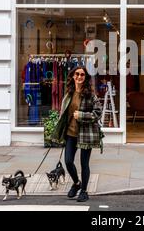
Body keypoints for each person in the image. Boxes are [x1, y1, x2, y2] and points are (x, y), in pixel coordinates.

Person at [50, 66, 103, 202]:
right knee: (68, 161)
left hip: (85, 134)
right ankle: (76, 183)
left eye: (82, 75)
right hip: (70, 134)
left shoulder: (90, 95)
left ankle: (84, 191)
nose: (79, 77)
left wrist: (82, 115)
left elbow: (97, 113)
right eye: (77, 74)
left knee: (84, 164)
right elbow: (64, 115)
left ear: (85, 78)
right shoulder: (69, 94)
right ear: (73, 76)